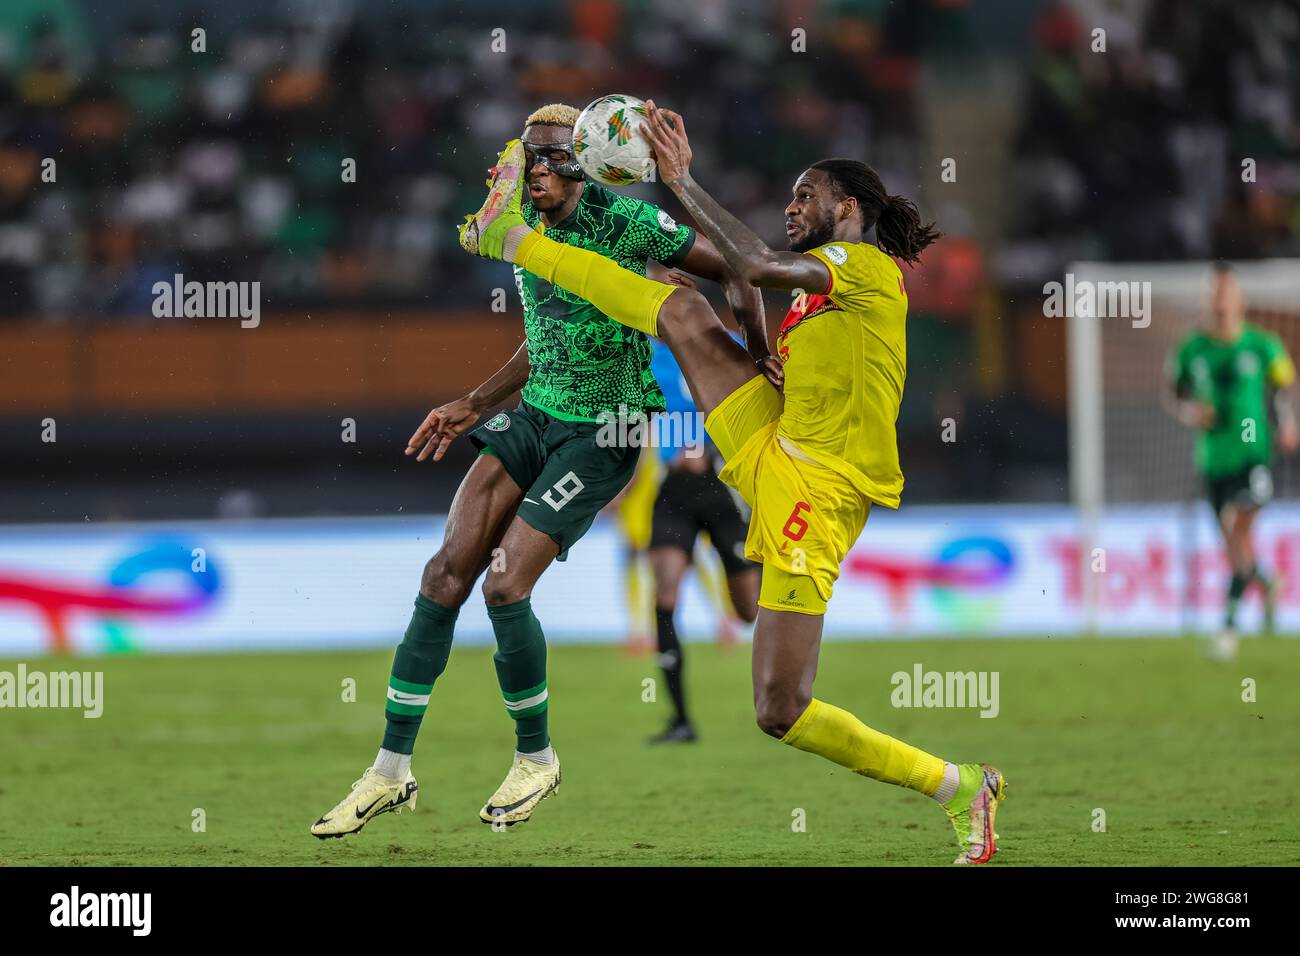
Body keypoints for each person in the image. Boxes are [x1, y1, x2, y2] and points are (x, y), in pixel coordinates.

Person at [456, 102, 1008, 864]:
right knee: (679, 308)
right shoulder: (824, 288)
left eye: (804, 197)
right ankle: (512, 237)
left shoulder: (866, 266)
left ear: (847, 210)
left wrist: (682, 182)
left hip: (819, 494)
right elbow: (751, 295)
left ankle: (959, 784)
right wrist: (759, 350)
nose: (790, 208)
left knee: (779, 708)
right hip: (776, 440)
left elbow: (749, 266)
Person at [310, 103, 766, 838]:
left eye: (555, 158)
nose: (540, 171)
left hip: (605, 431)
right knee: (442, 576)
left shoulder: (630, 227)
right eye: (532, 158)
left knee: (503, 583)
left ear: (587, 163)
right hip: (533, 418)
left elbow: (742, 271)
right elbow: (546, 338)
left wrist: (761, 348)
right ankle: (389, 772)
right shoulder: (525, 220)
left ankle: (537, 759)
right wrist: (474, 400)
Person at [1166, 262, 1299, 661]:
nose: (1221, 303)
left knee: (1237, 526)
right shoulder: (1192, 350)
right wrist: (1191, 413)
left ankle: (1227, 630)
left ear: (1239, 300)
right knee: (1234, 546)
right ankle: (1266, 581)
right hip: (1213, 460)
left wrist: (1290, 424)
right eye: (1216, 295)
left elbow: (1284, 388)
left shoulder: (1264, 346)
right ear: (1209, 301)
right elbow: (1175, 395)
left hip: (1253, 454)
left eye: (1228, 294)